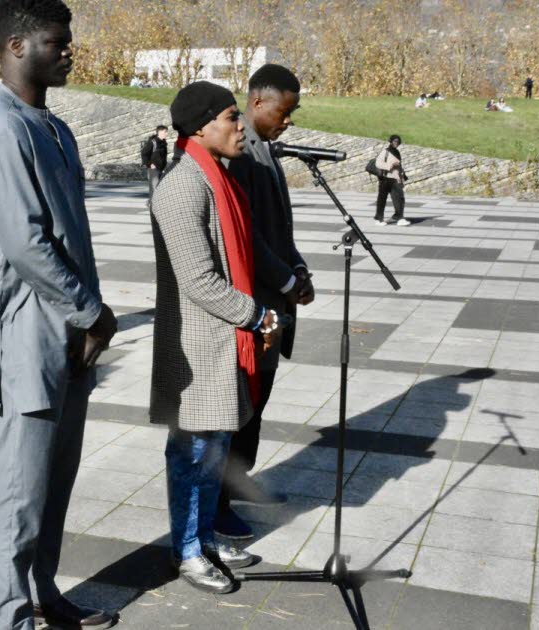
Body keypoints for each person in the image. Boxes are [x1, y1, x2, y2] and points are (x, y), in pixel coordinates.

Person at [0, 1, 119, 628]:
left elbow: (69, 235)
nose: (69, 51)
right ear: (17, 45)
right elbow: (25, 243)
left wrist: (84, 321)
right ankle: (11, 618)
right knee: (18, 491)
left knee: (55, 482)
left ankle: (43, 595)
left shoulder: (51, 125)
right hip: (18, 330)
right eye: (57, 42)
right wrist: (91, 311)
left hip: (66, 329)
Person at [150, 80, 281, 594]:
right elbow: (199, 280)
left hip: (221, 345)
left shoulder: (220, 181)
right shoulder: (183, 187)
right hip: (195, 350)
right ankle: (186, 550)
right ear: (202, 126)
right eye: (231, 117)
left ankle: (205, 535)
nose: (240, 127)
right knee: (190, 455)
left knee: (212, 455)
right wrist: (258, 316)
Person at [217, 63, 314, 540]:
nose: (289, 120)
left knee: (257, 405)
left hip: (276, 295)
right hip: (253, 304)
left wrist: (298, 268)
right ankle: (216, 499)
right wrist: (283, 277)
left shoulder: (264, 150)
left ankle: (237, 481)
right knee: (239, 406)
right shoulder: (239, 153)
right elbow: (246, 237)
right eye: (285, 110)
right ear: (258, 102)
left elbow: (280, 229)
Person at [374, 134, 410, 226]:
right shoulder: (385, 152)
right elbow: (378, 163)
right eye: (394, 141)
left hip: (395, 179)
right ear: (390, 141)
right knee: (382, 199)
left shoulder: (397, 152)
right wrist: (391, 165)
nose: (396, 143)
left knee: (399, 199)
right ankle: (378, 219)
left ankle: (399, 217)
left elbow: (399, 168)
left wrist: (401, 179)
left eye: (398, 142)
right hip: (385, 179)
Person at [141, 125, 169, 206]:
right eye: (165, 132)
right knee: (154, 187)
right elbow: (144, 153)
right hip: (153, 169)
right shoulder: (152, 142)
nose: (166, 133)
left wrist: (164, 166)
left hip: (161, 168)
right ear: (159, 132)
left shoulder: (163, 143)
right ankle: (152, 204)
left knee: (160, 187)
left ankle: (156, 203)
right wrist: (149, 164)